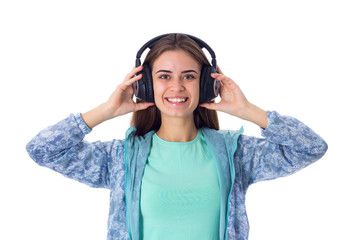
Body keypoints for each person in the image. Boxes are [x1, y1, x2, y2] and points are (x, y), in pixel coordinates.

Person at [26, 33, 328, 240]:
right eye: (164, 76)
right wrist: (105, 111)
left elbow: (311, 147)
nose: (177, 87)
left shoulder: (236, 155)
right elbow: (42, 150)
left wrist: (247, 110)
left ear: (207, 85)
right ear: (145, 85)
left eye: (189, 76)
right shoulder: (120, 159)